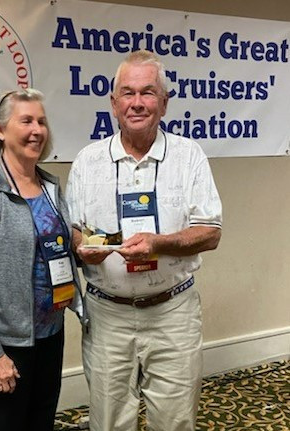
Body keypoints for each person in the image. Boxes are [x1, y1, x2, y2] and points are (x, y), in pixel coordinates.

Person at [66, 50, 222, 431]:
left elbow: (210, 231)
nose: (137, 103)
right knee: (109, 421)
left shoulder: (189, 157)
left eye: (148, 93)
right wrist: (83, 249)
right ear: (113, 103)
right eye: (128, 93)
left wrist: (159, 243)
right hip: (107, 315)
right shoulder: (87, 161)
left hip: (173, 313)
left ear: (164, 103)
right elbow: (73, 228)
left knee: (174, 420)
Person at [0, 89, 83, 431]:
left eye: (41, 121)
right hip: (6, 342)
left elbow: (54, 249)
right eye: (26, 121)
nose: (36, 129)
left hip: (50, 332)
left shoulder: (50, 187)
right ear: (0, 130)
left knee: (40, 422)